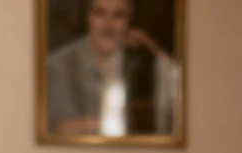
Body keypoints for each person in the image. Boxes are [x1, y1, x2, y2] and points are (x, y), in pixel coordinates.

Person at [46, 0, 180, 137]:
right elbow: (62, 130)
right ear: (87, 17)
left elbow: (174, 111)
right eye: (100, 14)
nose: (108, 25)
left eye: (118, 15)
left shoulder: (140, 63)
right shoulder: (58, 66)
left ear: (129, 20)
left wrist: (150, 45)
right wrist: (127, 121)